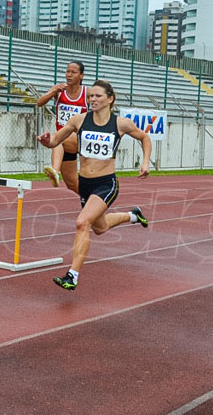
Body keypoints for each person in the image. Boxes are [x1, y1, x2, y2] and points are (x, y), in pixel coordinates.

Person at [37, 79, 152, 291]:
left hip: (106, 184)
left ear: (110, 99)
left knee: (82, 223)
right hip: (85, 184)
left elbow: (144, 137)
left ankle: (72, 275)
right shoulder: (79, 120)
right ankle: (133, 215)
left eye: (97, 96)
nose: (92, 99)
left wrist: (145, 162)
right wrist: (46, 141)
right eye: (90, 96)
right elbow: (55, 141)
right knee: (100, 227)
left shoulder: (121, 124)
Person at [35, 61, 87, 193]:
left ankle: (55, 171)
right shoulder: (58, 91)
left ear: (81, 76)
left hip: (80, 139)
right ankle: (94, 206)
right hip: (62, 145)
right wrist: (53, 92)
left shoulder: (87, 92)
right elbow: (40, 103)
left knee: (58, 138)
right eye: (67, 72)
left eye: (73, 72)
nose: (69, 75)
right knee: (73, 185)